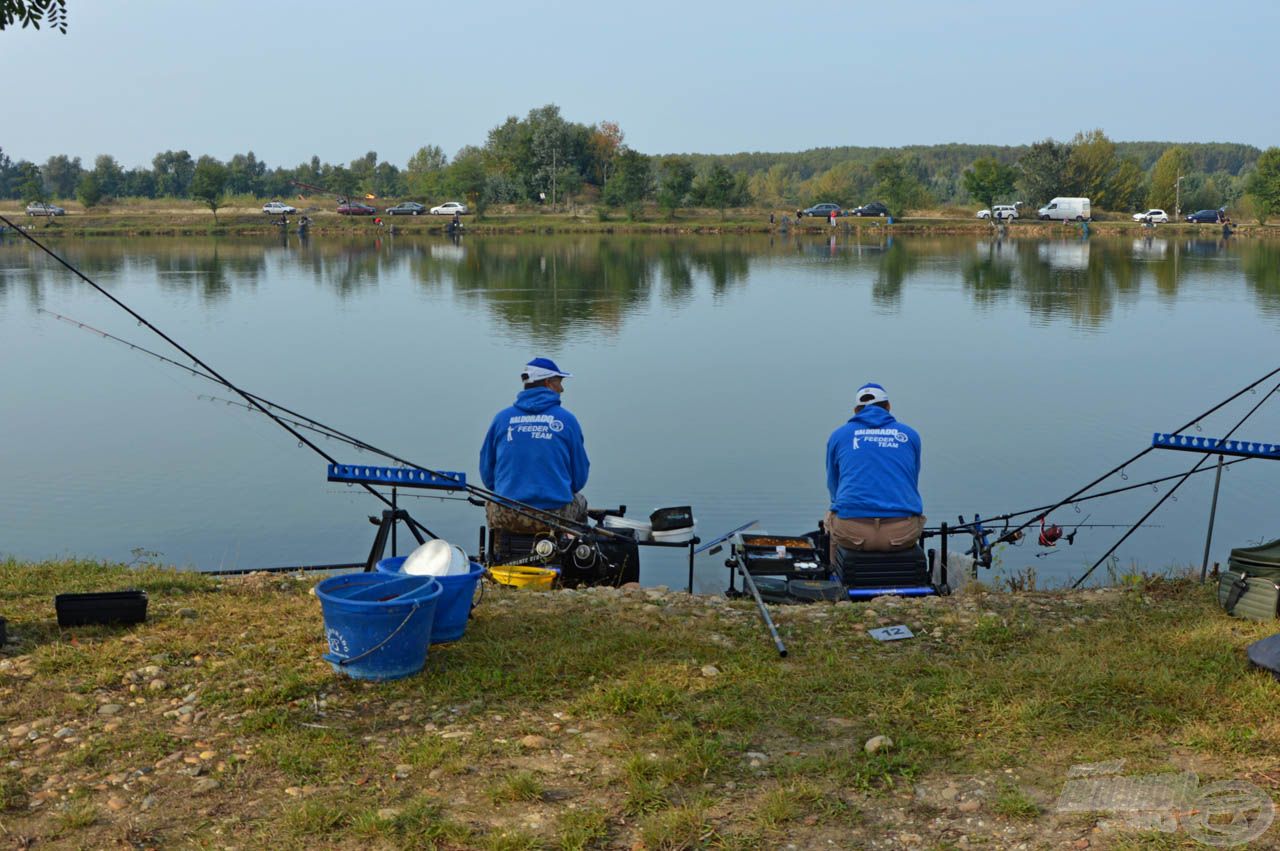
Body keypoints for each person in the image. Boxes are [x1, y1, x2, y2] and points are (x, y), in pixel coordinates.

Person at [480, 357, 589, 536]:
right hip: (553, 518)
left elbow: (488, 477)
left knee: (492, 502)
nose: (562, 389)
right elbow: (579, 479)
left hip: (505, 515)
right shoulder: (567, 420)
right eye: (559, 382)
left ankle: (499, 554)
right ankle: (574, 556)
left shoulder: (501, 419)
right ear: (548, 383)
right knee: (581, 502)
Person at [825, 382, 924, 560]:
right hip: (900, 534)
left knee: (830, 517)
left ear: (856, 410)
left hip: (853, 532)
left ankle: (833, 577)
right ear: (888, 407)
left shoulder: (839, 435)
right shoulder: (910, 435)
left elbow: (834, 485)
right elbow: (911, 480)